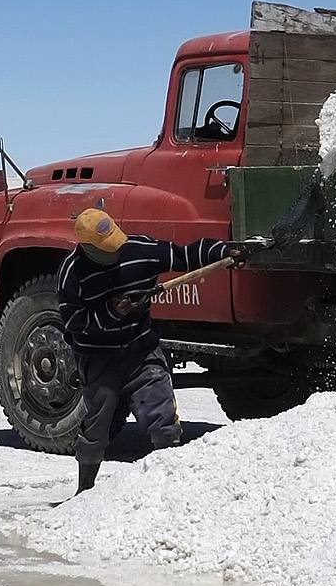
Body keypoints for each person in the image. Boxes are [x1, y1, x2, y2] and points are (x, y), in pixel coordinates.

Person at [53, 205, 229, 494]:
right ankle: (84, 492)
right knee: (96, 430)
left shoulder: (139, 250)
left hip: (141, 350)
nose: (116, 250)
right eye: (107, 249)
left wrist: (222, 251)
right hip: (98, 357)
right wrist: (110, 313)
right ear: (87, 248)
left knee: (163, 419)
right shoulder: (72, 273)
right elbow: (74, 323)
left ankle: (168, 491)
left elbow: (183, 255)